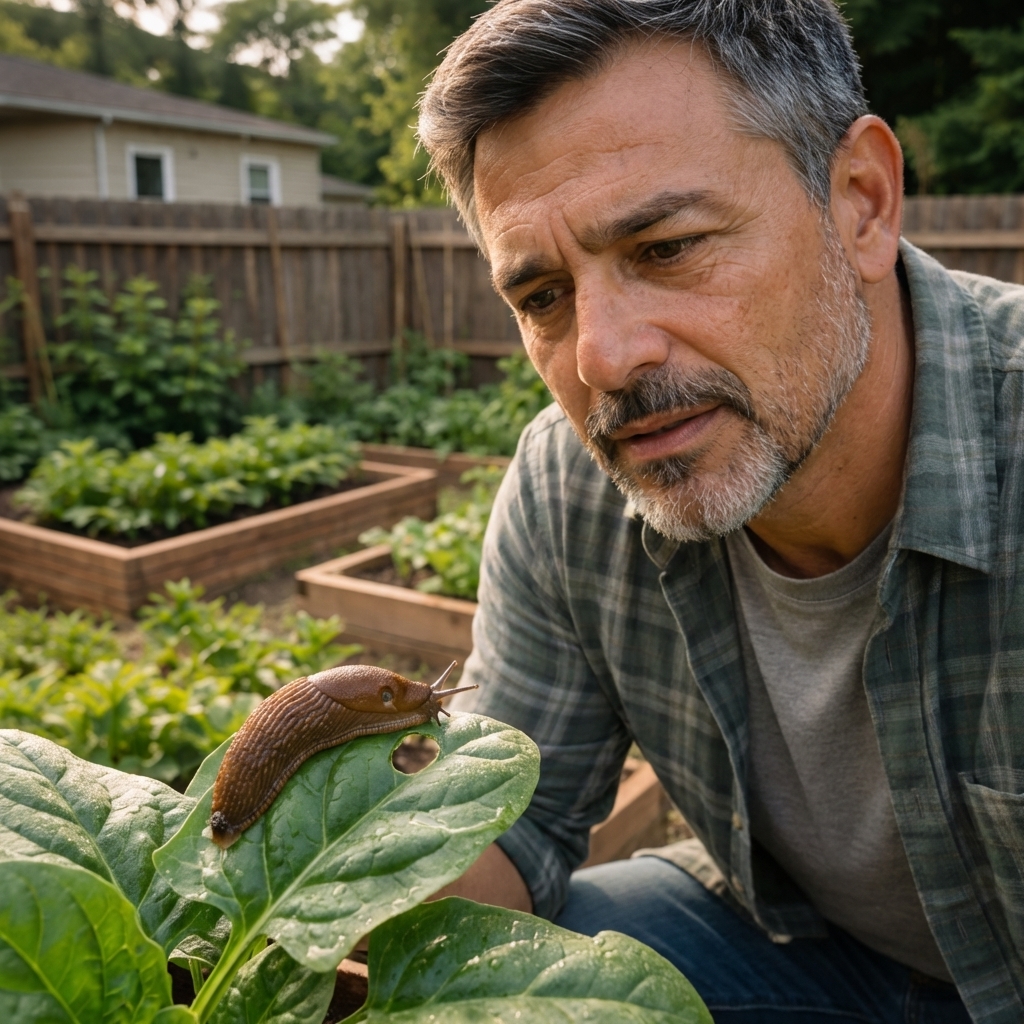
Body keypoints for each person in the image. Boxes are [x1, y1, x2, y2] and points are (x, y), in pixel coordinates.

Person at [418, 1, 1024, 1021]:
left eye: (665, 247)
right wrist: (315, 887)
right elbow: (505, 824)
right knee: (521, 968)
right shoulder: (571, 491)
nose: (601, 357)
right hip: (807, 950)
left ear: (861, 202)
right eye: (541, 297)